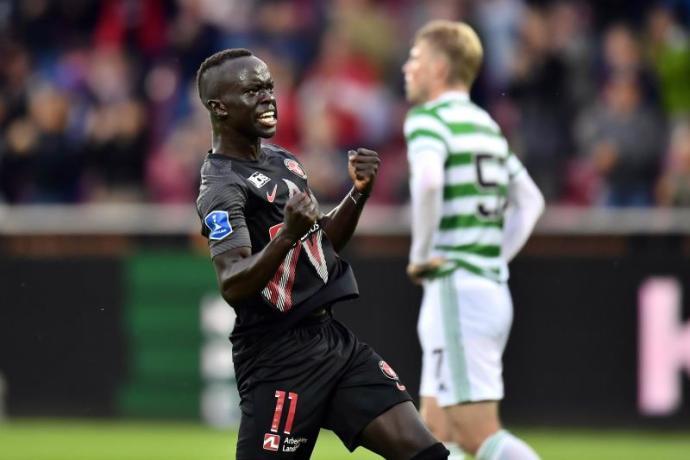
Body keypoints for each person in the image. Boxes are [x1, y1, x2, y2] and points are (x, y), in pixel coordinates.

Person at [195, 48, 449, 460]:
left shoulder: (284, 161)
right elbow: (232, 283)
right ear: (220, 108)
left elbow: (319, 245)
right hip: (277, 357)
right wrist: (285, 237)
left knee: (425, 453)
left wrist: (358, 194)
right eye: (252, 91)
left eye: (269, 87)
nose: (268, 98)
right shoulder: (221, 187)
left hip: (332, 341)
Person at [402, 21, 544, 460]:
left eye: (417, 58)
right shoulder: (486, 126)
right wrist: (492, 256)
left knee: (477, 435)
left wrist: (422, 255)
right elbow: (532, 201)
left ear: (440, 68)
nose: (407, 67)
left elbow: (427, 183)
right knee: (435, 428)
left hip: (456, 289)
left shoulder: (430, 119)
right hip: (483, 288)